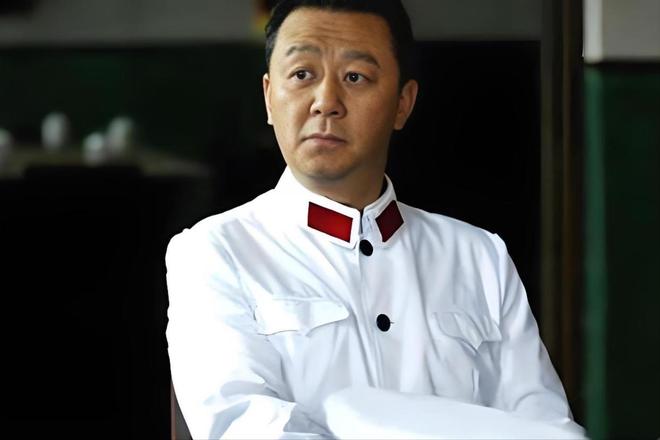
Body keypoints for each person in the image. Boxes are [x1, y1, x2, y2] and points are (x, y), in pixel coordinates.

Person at [165, 1, 586, 438]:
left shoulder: (479, 257)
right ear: (270, 97)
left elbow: (543, 426)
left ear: (403, 103)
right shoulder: (214, 252)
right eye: (302, 74)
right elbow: (244, 424)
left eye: (355, 77)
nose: (326, 102)